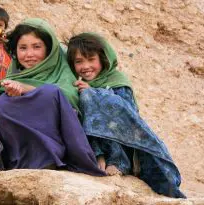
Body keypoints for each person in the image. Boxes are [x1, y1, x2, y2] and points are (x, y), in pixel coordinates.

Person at [67, 33, 186, 198]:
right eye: (79, 61)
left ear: (103, 58)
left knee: (91, 100)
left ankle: (119, 162)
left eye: (91, 59)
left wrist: (93, 93)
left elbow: (127, 118)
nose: (85, 66)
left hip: (124, 145)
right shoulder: (79, 86)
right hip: (98, 147)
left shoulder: (117, 80)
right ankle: (98, 156)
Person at [0, 18, 105, 177]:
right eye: (23, 48)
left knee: (50, 94)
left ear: (48, 49)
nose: (29, 54)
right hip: (20, 162)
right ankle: (18, 161)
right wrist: (14, 92)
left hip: (60, 153)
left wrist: (26, 90)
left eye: (36, 47)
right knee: (0, 104)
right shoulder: (15, 75)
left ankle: (50, 158)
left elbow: (66, 95)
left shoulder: (61, 68)